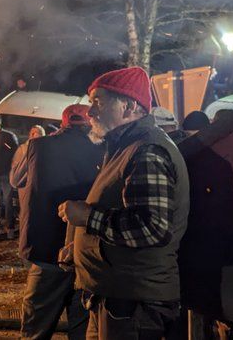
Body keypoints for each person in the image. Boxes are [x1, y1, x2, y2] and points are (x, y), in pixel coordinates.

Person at [59, 66, 190, 340]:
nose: (90, 111)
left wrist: (88, 218)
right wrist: (83, 246)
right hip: (117, 297)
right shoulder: (125, 146)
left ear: (130, 106)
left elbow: (152, 228)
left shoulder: (147, 150)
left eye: (99, 102)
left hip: (132, 303)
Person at [17, 104, 104, 340]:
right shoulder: (104, 149)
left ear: (63, 122)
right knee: (82, 328)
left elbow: (17, 179)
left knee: (36, 329)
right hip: (85, 254)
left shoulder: (39, 146)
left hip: (47, 251)